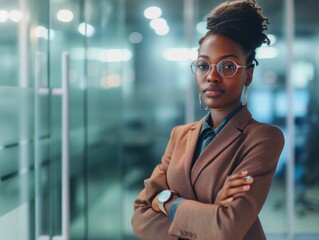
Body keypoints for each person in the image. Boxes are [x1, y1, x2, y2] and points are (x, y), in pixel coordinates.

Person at [131, 0, 285, 239]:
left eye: (227, 66)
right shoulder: (180, 135)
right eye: (203, 65)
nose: (212, 76)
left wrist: (166, 201)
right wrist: (210, 213)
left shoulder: (263, 137)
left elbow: (227, 227)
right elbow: (140, 215)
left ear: (248, 74)